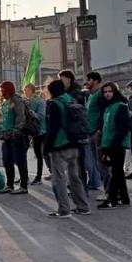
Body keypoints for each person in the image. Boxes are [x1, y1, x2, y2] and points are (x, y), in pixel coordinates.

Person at [44, 80, 91, 217]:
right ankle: (83, 206)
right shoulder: (71, 100)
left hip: (60, 145)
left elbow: (52, 128)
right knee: (75, 178)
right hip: (74, 144)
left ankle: (64, 209)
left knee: (58, 178)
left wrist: (46, 147)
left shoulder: (55, 104)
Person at [98, 82, 132, 210]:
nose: (107, 94)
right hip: (109, 143)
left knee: (115, 172)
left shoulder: (120, 106)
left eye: (110, 91)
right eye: (105, 92)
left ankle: (111, 199)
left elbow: (124, 127)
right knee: (118, 172)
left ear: (115, 92)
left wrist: (114, 143)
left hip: (116, 144)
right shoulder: (108, 107)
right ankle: (124, 197)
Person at [0, 82, 28, 194]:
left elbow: (21, 117)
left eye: (2, 90)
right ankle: (9, 185)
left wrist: (16, 131)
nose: (1, 92)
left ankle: (23, 186)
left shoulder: (17, 100)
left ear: (7, 90)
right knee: (7, 160)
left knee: (20, 161)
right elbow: (2, 119)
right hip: (6, 136)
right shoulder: (5, 103)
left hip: (17, 136)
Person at [86, 72, 110, 200]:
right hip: (91, 133)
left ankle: (109, 191)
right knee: (97, 163)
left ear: (95, 80)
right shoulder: (91, 95)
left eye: (89, 80)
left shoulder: (101, 94)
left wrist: (99, 131)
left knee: (103, 164)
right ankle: (108, 190)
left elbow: (104, 113)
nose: (87, 82)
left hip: (98, 134)